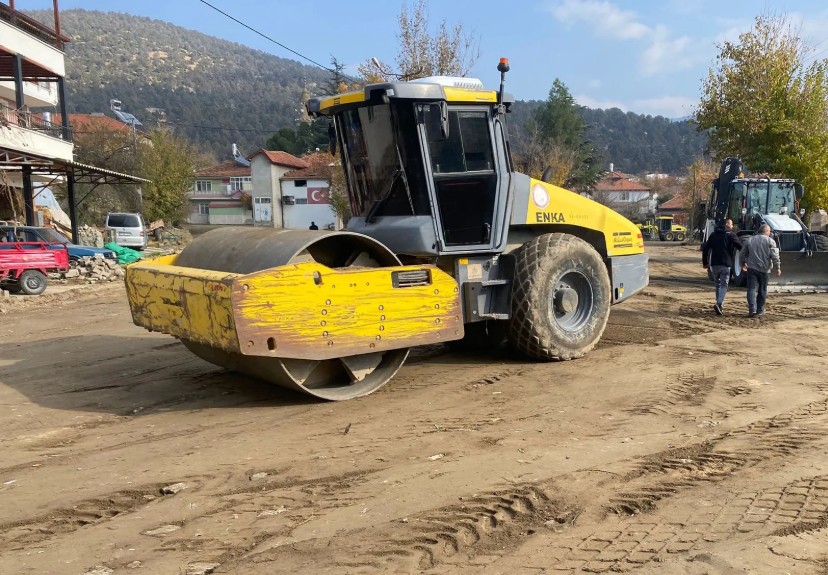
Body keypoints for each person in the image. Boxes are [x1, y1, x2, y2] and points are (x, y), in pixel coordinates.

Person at [701, 219, 743, 315]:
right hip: (725, 264)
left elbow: (705, 249)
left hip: (714, 264)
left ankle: (719, 305)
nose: (732, 226)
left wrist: (705, 262)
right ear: (727, 224)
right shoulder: (730, 235)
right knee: (724, 285)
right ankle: (719, 303)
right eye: (732, 224)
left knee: (718, 285)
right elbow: (740, 246)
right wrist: (745, 256)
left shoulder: (713, 235)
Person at [739, 224, 781, 318]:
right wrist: (777, 267)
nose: (770, 233)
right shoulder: (771, 241)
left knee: (751, 289)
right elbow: (775, 256)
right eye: (769, 231)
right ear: (766, 231)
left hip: (752, 268)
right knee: (762, 289)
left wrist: (742, 263)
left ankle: (752, 309)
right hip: (765, 270)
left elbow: (742, 254)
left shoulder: (750, 240)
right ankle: (760, 310)